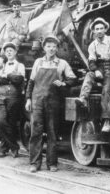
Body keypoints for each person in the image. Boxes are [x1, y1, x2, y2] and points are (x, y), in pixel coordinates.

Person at [25, 35, 77, 173]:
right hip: (37, 101)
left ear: (57, 48)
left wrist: (64, 83)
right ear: (44, 48)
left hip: (53, 102)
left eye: (54, 46)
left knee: (52, 132)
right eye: (49, 46)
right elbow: (30, 82)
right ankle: (34, 163)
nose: (51, 49)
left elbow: (73, 79)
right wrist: (28, 99)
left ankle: (52, 163)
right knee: (36, 132)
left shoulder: (62, 63)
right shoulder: (38, 62)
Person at [75, 17, 110, 133]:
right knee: (89, 75)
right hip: (100, 68)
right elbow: (91, 61)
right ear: (93, 31)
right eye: (96, 29)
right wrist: (96, 70)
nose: (99, 31)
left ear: (105, 29)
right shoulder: (92, 45)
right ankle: (83, 98)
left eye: (101, 28)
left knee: (107, 89)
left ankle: (107, 120)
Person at [0, 42, 25, 158]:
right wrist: (11, 77)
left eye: (11, 50)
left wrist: (6, 76)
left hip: (13, 97)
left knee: (11, 123)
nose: (9, 52)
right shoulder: (1, 65)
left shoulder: (20, 65)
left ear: (15, 52)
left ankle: (3, 148)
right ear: (5, 53)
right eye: (7, 51)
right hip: (1, 97)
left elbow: (19, 79)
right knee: (1, 121)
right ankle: (14, 147)